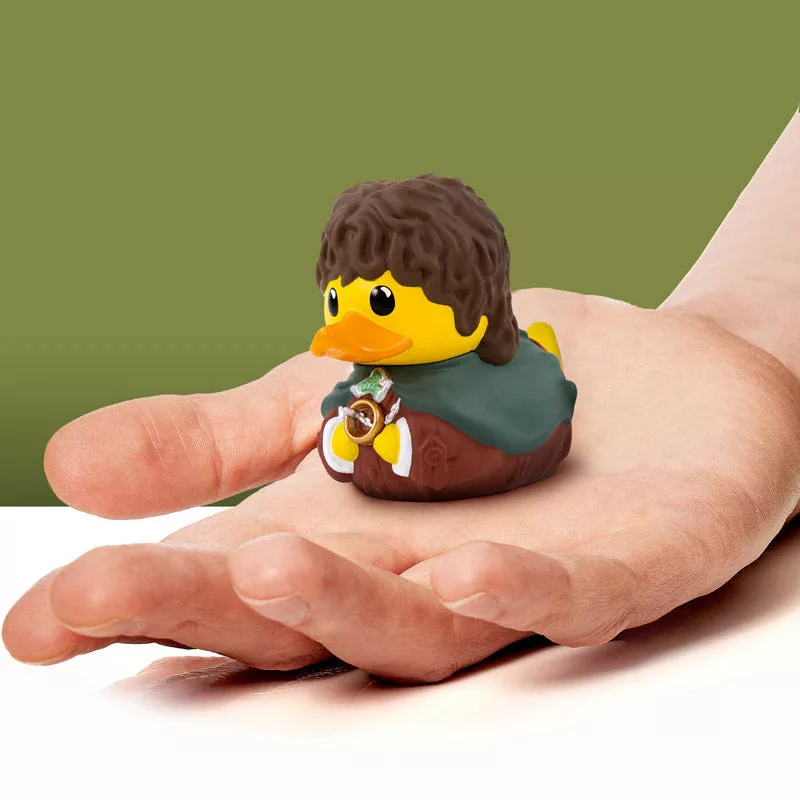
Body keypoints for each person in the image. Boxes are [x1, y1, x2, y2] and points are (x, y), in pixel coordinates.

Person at [3, 113, 799, 684]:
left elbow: (484, 427)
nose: (347, 323)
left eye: (379, 303)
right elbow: (351, 422)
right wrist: (750, 333)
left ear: (464, 304)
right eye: (337, 300)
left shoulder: (497, 392)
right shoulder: (371, 381)